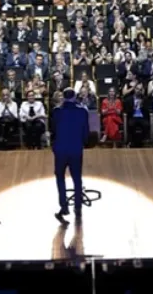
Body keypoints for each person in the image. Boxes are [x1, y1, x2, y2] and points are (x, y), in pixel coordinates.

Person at [51, 89, 88, 223]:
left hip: (60, 150)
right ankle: (78, 206)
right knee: (77, 178)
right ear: (74, 97)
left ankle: (64, 206)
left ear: (64, 98)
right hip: (76, 150)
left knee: (60, 178)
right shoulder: (82, 112)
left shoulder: (57, 112)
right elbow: (86, 133)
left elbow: (53, 130)